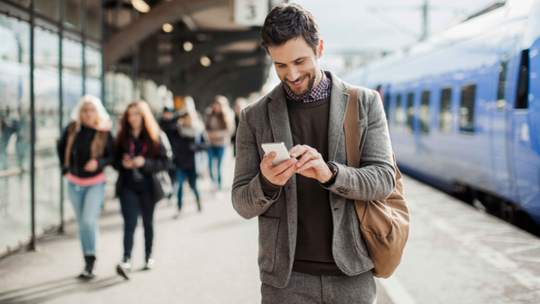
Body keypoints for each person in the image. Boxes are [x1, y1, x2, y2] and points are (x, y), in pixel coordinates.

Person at [231, 4, 396, 303]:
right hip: (285, 280)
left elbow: (384, 180)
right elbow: (242, 203)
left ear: (319, 48)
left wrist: (331, 174)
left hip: (352, 274)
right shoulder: (254, 117)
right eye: (280, 65)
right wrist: (266, 183)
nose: (291, 74)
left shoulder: (364, 103)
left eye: (299, 61)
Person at [57, 95, 114, 279]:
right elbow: (60, 146)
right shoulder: (73, 129)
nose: (88, 114)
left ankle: (92, 258)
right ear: (80, 112)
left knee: (89, 221)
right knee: (82, 223)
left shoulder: (104, 131)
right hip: (74, 183)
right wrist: (65, 167)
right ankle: (87, 263)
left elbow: (112, 156)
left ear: (97, 112)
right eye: (85, 110)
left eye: (92, 110)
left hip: (95, 183)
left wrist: (98, 163)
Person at [113, 100, 172, 279]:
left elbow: (167, 161)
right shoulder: (123, 136)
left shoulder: (156, 135)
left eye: (137, 114)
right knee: (129, 223)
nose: (133, 118)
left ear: (144, 116)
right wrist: (122, 163)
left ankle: (148, 256)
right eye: (130, 115)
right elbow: (114, 159)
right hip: (128, 186)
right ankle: (126, 260)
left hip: (149, 186)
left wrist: (144, 162)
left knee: (148, 222)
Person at [173, 110, 207, 218]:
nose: (189, 120)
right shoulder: (178, 130)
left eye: (191, 118)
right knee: (179, 187)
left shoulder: (199, 130)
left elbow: (206, 144)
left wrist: (196, 147)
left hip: (193, 165)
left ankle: (198, 202)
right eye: (187, 118)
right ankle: (179, 208)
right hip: (180, 164)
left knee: (194, 186)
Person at [203, 95, 234, 193]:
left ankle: (219, 186)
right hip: (211, 144)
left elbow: (230, 130)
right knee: (210, 166)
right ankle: (213, 183)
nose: (217, 108)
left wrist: (217, 134)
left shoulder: (227, 115)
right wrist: (209, 135)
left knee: (220, 167)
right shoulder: (209, 115)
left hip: (222, 144)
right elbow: (204, 128)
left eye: (219, 106)